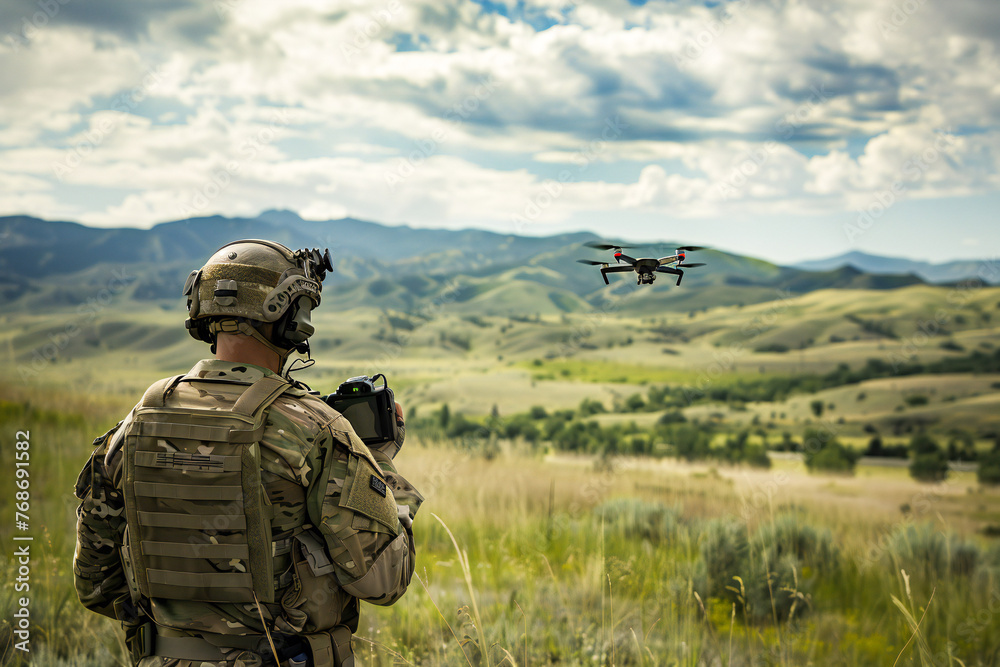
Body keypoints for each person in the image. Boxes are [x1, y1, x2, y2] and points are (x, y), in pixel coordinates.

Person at [73, 239, 422, 666]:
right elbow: (384, 580)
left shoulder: (134, 426)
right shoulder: (318, 430)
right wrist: (381, 465)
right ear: (292, 319)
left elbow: (96, 586)